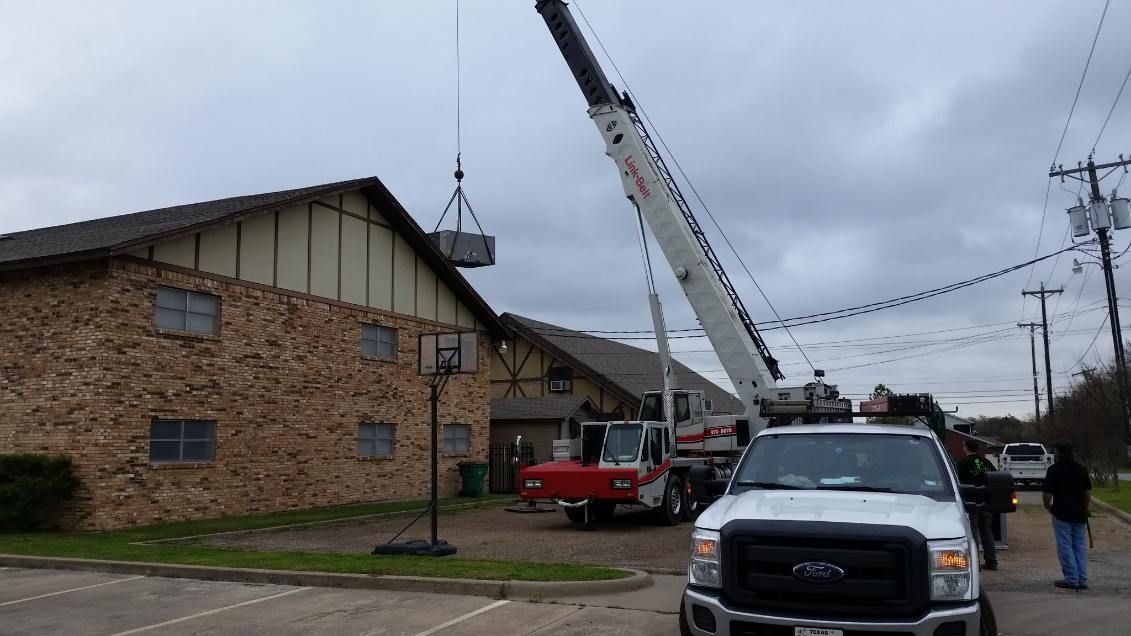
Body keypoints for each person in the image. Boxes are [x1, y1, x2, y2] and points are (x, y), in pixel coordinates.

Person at [1042, 439, 1092, 591]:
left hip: (1062, 513)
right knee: (1079, 546)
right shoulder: (1081, 469)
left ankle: (1071, 579)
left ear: (1059, 453)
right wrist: (1085, 507)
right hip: (1080, 514)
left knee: (1065, 546)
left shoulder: (1054, 470)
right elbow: (1087, 492)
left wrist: (1047, 506)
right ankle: (1082, 578)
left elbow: (1047, 493)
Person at [955, 439, 998, 570]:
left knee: (973, 532)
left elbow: (955, 481)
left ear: (966, 448)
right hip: (985, 501)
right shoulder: (986, 462)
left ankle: (975, 564)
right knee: (986, 531)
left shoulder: (962, 463)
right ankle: (991, 562)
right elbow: (996, 478)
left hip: (970, 502)